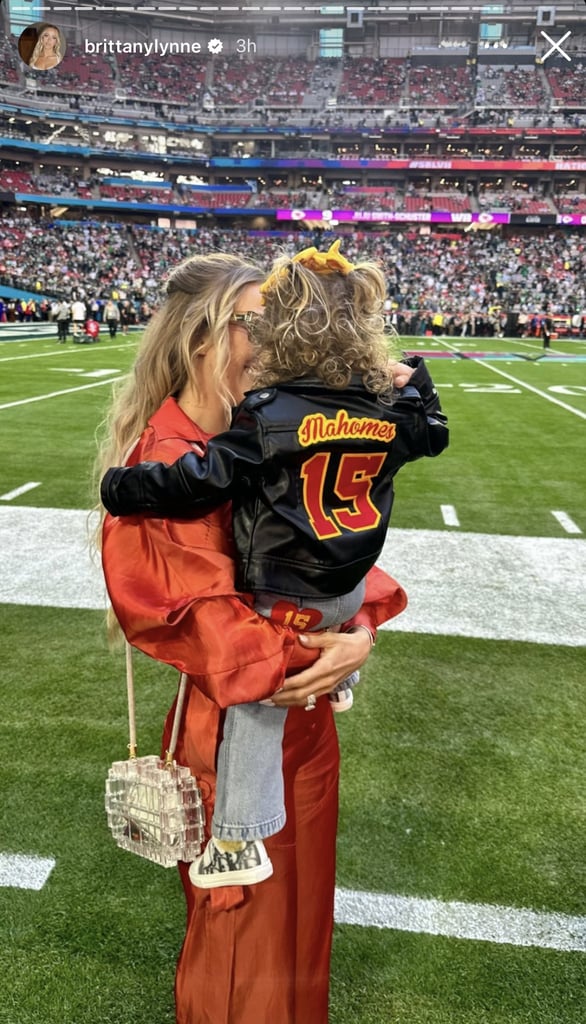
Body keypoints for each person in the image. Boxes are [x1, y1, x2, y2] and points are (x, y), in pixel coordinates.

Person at [97, 251, 406, 1024]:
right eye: (259, 322)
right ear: (205, 336)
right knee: (247, 942)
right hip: (231, 730)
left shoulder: (262, 430)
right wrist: (333, 649)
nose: (279, 338)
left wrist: (359, 627)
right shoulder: (167, 459)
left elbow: (330, 559)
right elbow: (212, 630)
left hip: (300, 723)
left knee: (299, 926)